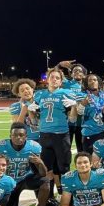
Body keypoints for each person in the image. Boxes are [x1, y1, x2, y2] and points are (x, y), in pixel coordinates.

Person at [28, 67, 77, 198]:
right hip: (44, 134)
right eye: (52, 77)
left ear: (61, 81)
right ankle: (49, 198)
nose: (54, 79)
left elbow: (73, 119)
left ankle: (68, 197)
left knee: (64, 168)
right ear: (47, 80)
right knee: (46, 169)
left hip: (61, 135)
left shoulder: (66, 92)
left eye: (57, 78)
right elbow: (33, 120)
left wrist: (74, 106)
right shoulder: (39, 94)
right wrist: (30, 110)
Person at [0, 122, 49, 206]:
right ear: (10, 135)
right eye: (15, 135)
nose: (18, 137)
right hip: (8, 182)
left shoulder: (33, 147)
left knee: (45, 182)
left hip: (25, 179)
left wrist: (41, 163)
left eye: (21, 135)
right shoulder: (0, 146)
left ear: (26, 136)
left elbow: (43, 173)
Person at [76, 74, 104, 154]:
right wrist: (83, 104)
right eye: (90, 80)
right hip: (90, 132)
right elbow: (79, 112)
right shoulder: (83, 96)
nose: (92, 82)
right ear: (86, 83)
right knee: (90, 160)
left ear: (98, 82)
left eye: (94, 80)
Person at [62, 63, 87, 152]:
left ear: (84, 74)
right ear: (71, 74)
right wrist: (59, 64)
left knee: (82, 149)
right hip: (68, 122)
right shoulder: (66, 83)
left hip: (82, 121)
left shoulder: (87, 86)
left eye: (80, 71)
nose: (77, 72)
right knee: (65, 149)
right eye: (75, 70)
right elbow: (51, 73)